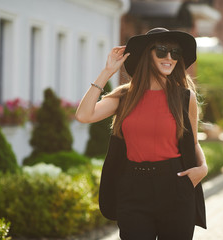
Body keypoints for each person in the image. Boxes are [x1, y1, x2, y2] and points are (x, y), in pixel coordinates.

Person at [75, 27, 207, 240]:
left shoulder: (185, 97)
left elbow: (192, 143)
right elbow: (84, 115)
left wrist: (203, 168)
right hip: (133, 186)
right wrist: (107, 71)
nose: (169, 57)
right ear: (147, 54)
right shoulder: (125, 97)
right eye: (162, 50)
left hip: (175, 185)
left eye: (175, 53)